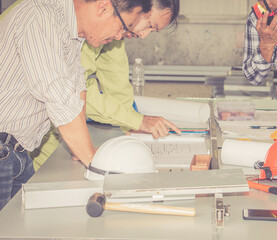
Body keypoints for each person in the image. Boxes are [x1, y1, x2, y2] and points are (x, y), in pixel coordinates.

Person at [0, 0, 151, 210]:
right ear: (104, 7)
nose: (118, 37)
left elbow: (77, 92)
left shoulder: (73, 33)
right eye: (124, 27)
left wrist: (82, 148)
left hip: (16, 154)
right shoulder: (41, 17)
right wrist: (94, 162)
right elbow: (57, 93)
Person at [31, 0, 181, 170]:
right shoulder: (81, 24)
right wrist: (137, 121)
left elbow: (116, 81)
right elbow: (69, 93)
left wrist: (130, 127)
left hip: (50, 125)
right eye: (148, 24)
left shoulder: (116, 31)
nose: (144, 35)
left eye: (152, 31)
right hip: (30, 131)